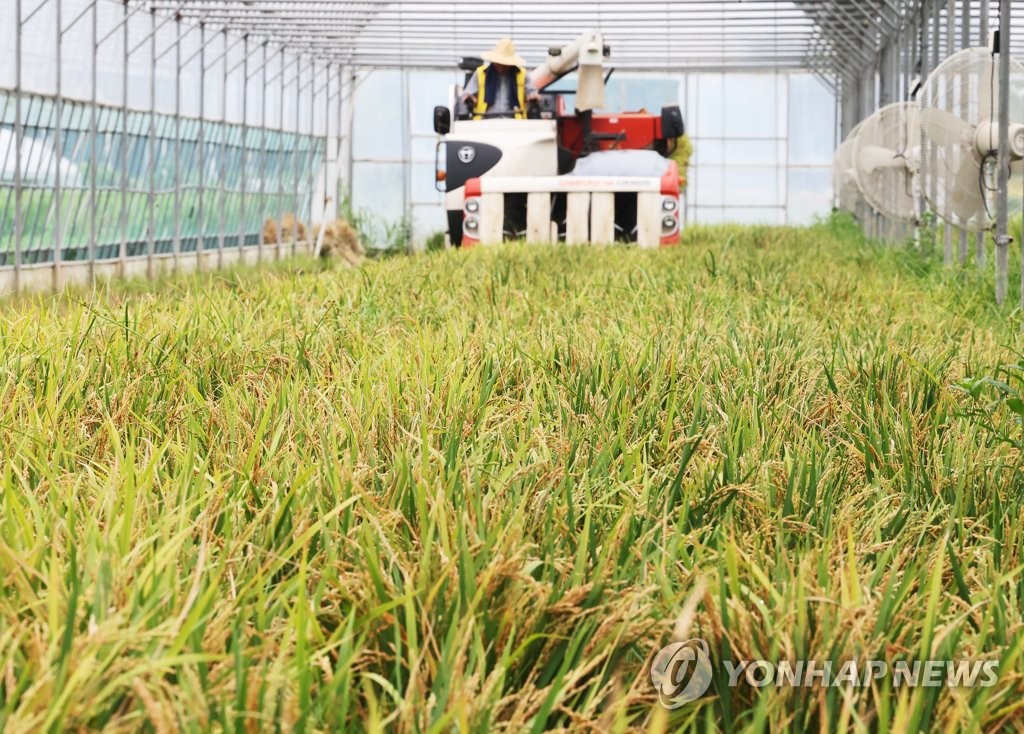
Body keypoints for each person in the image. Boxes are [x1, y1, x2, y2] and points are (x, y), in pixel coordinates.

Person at [462, 38, 540, 120]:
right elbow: (467, 94)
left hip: (515, 121)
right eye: (499, 63)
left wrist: (532, 96)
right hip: (484, 120)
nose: (501, 66)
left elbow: (531, 92)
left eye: (504, 64)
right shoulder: (481, 73)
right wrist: (469, 98)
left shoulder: (521, 74)